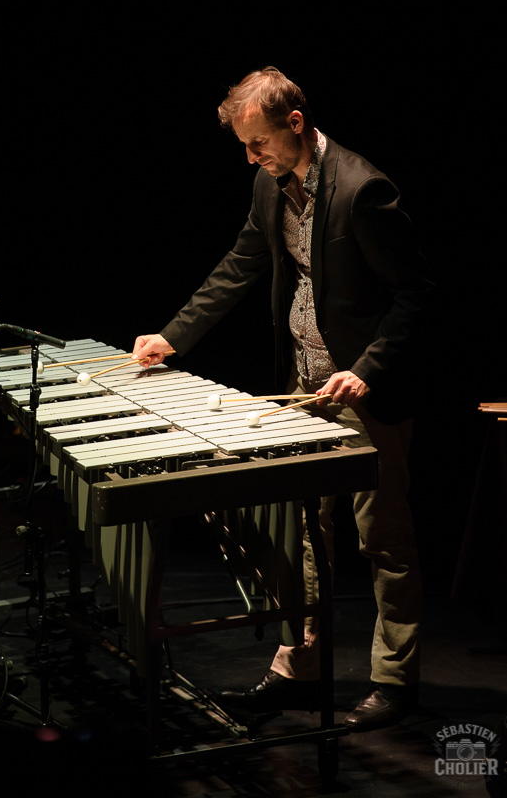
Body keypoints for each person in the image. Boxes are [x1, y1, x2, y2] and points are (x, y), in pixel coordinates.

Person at [131, 66, 434, 732]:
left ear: (294, 123)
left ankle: (394, 680)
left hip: (360, 392)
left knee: (381, 538)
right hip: (300, 383)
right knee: (299, 531)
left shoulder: (362, 190)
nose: (250, 156)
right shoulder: (268, 185)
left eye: (257, 142)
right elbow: (239, 263)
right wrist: (172, 337)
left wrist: (367, 370)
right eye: (244, 146)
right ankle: (300, 667)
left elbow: (415, 296)